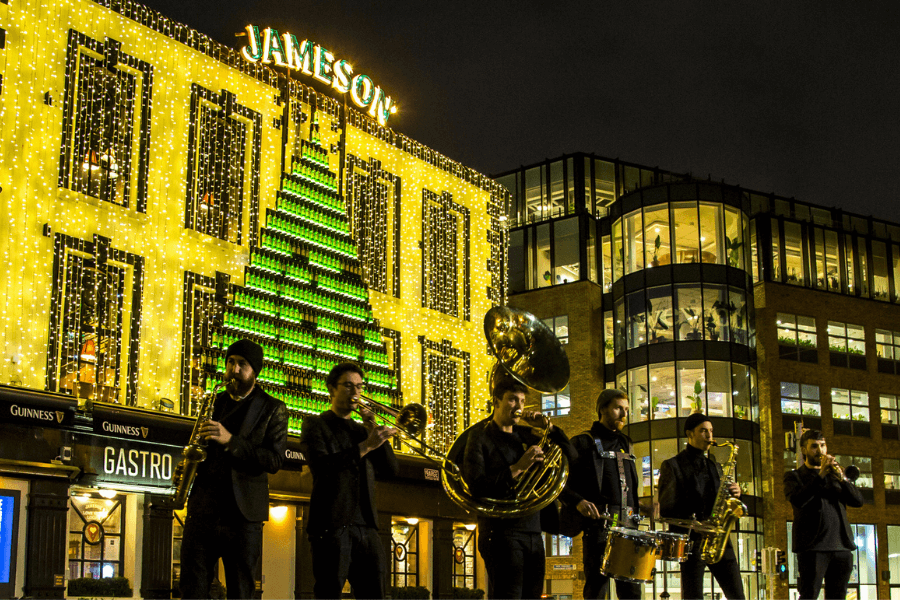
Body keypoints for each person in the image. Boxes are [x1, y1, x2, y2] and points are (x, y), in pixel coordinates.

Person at [179, 339, 289, 600]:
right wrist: (187, 467)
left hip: (242, 517)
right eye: (230, 362)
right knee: (192, 588)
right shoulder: (212, 401)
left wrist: (231, 441)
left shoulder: (273, 408)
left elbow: (274, 461)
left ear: (255, 371)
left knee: (241, 591)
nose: (234, 369)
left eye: (242, 364)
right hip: (203, 510)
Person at [462, 368, 574, 600]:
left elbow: (571, 455)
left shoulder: (527, 435)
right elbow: (477, 486)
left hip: (533, 531)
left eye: (522, 400)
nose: (519, 406)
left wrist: (549, 428)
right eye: (512, 399)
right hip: (500, 531)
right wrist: (518, 467)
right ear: (496, 401)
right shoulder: (479, 437)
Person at [300, 362, 399, 599]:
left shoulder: (363, 430)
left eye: (359, 387)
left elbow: (391, 470)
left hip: (367, 526)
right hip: (331, 525)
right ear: (332, 389)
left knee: (375, 594)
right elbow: (323, 468)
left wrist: (374, 429)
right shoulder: (315, 425)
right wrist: (366, 446)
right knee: (328, 592)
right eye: (348, 386)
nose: (355, 393)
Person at [560, 388, 643, 600]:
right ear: (602, 409)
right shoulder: (583, 442)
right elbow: (559, 483)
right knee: (596, 589)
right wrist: (578, 502)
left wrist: (643, 506)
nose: (624, 415)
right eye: (618, 408)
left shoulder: (627, 443)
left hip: (628, 527)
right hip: (598, 528)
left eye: (626, 409)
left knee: (631, 591)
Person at [657, 413, 745, 600]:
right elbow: (666, 509)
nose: (709, 436)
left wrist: (734, 491)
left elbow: (720, 499)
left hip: (719, 538)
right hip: (692, 541)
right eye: (703, 431)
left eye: (711, 431)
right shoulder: (673, 465)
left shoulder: (714, 466)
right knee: (693, 597)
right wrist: (696, 524)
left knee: (738, 595)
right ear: (690, 434)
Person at [784, 429, 864, 600]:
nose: (820, 451)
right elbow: (798, 500)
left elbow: (858, 501)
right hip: (813, 547)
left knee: (838, 596)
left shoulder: (835, 476)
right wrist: (820, 475)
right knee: (809, 595)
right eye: (814, 446)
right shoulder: (794, 476)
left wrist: (842, 478)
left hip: (841, 546)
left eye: (823, 446)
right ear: (803, 450)